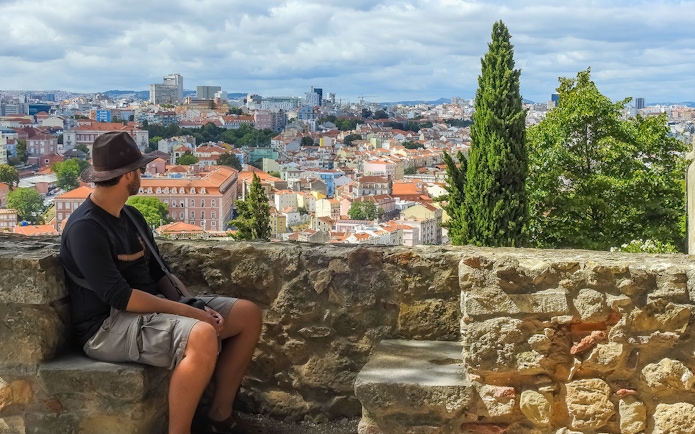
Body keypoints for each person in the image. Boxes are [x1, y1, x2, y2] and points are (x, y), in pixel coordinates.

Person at [60, 131, 262, 434]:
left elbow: (161, 274)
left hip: (150, 311)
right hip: (106, 326)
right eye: (140, 170)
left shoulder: (131, 217)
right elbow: (121, 297)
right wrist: (192, 315)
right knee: (202, 335)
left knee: (247, 314)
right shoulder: (85, 228)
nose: (143, 175)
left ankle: (220, 415)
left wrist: (192, 303)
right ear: (128, 175)